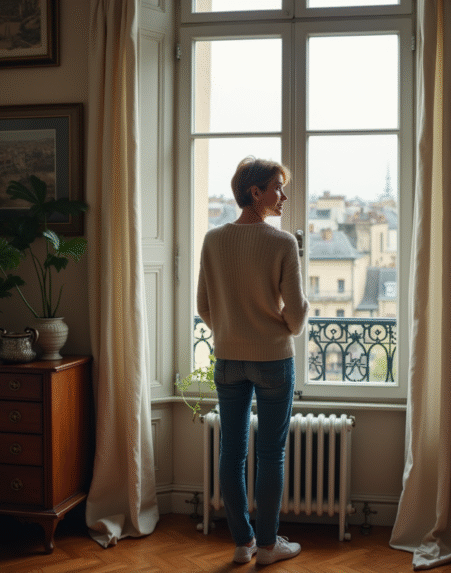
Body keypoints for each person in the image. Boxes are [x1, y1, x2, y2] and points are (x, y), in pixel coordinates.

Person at [196, 156, 309, 565]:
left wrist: (230, 330)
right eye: (278, 187)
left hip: (227, 359)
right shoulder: (282, 243)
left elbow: (203, 306)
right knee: (271, 454)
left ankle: (242, 543)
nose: (283, 196)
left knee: (231, 451)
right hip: (273, 359)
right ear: (254, 192)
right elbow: (295, 320)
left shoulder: (213, 239)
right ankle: (267, 546)